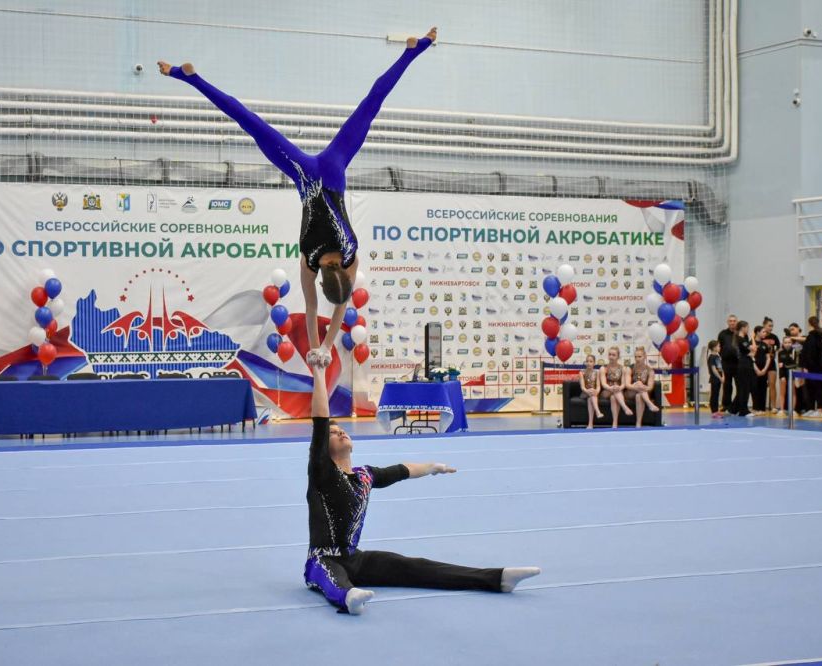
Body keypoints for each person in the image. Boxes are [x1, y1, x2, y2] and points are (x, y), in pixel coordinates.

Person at [159, 28, 438, 364]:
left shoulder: (351, 255)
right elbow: (312, 308)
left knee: (370, 106)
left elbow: (339, 304)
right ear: (322, 278)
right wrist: (319, 348)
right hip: (304, 176)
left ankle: (413, 50)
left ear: (344, 275)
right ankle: (190, 78)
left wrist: (326, 346)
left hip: (333, 170)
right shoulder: (309, 259)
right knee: (249, 123)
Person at [304, 357, 540, 614]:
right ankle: (348, 596)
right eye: (333, 433)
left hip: (354, 558)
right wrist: (319, 373)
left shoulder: (365, 475)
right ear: (323, 449)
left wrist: (431, 467)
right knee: (331, 577)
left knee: (414, 566)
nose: (340, 433)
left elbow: (403, 470)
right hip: (322, 559)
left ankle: (497, 579)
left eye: (342, 431)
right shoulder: (322, 473)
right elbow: (319, 421)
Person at [623, 346, 659, 428]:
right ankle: (649, 404)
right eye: (635, 357)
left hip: (642, 394)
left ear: (645, 357)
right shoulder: (630, 368)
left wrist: (642, 387)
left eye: (639, 357)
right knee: (638, 384)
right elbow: (627, 385)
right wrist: (637, 386)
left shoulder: (650, 370)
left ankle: (638, 423)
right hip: (630, 392)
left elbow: (650, 387)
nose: (637, 359)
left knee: (639, 396)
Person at [800, 316, 822, 417]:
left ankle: (819, 410)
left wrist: (806, 366)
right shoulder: (821, 336)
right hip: (820, 366)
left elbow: (809, 353)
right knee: (815, 388)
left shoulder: (812, 336)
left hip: (813, 367)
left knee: (815, 388)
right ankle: (811, 408)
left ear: (809, 324)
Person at [599, 346, 632, 428]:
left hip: (618, 390)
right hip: (606, 391)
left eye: (613, 355)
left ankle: (615, 423)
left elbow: (623, 384)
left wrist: (619, 388)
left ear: (618, 356)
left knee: (614, 397)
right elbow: (603, 384)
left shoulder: (623, 368)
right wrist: (611, 388)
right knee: (614, 392)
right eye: (610, 354)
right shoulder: (603, 368)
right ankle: (625, 407)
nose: (611, 357)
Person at [730, 321, 755, 418]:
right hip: (744, 366)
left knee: (743, 388)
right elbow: (753, 349)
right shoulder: (740, 339)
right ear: (743, 328)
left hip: (745, 364)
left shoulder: (742, 339)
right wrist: (752, 337)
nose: (748, 329)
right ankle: (743, 411)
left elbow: (750, 353)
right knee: (744, 389)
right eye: (747, 327)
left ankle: (733, 408)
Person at [716, 314, 739, 413]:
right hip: (726, 363)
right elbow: (718, 347)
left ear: (736, 322)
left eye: (734, 321)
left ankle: (737, 405)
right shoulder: (722, 334)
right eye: (730, 321)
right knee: (727, 385)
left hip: (738, 363)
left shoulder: (740, 333)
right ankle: (726, 405)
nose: (732, 322)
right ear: (728, 322)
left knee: (740, 385)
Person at [578, 353, 603, 429]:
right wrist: (588, 391)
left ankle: (590, 424)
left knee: (590, 399)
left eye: (591, 361)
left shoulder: (597, 372)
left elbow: (598, 386)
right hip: (585, 393)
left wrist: (596, 392)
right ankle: (597, 411)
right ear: (585, 362)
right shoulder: (581, 372)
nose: (588, 363)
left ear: (594, 363)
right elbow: (582, 387)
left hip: (594, 393)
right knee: (591, 394)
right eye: (587, 361)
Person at [776, 336, 800, 415]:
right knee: (782, 392)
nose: (787, 344)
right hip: (783, 374)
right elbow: (780, 366)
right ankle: (782, 410)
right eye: (785, 342)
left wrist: (785, 365)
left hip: (792, 373)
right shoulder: (780, 352)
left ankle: (792, 410)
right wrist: (781, 376)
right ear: (783, 343)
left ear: (792, 343)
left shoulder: (795, 352)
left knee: (793, 392)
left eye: (789, 342)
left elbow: (795, 365)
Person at [751, 325, 771, 413]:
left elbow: (768, 357)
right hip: (754, 370)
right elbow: (750, 358)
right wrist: (757, 370)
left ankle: (762, 408)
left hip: (763, 371)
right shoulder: (751, 343)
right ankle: (755, 408)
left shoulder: (764, 345)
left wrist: (765, 369)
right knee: (754, 388)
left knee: (763, 388)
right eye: (763, 332)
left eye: (765, 332)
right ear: (757, 332)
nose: (765, 333)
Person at [762, 317, 780, 411]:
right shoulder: (760, 336)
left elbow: (778, 348)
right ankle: (760, 406)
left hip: (771, 363)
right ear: (764, 325)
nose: (771, 328)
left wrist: (774, 351)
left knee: (772, 384)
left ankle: (773, 406)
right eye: (769, 325)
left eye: (772, 326)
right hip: (761, 363)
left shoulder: (774, 337)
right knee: (761, 385)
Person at [707, 340, 724, 418]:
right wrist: (720, 378)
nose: (720, 348)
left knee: (717, 395)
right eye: (718, 346)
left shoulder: (717, 356)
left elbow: (720, 368)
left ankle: (716, 411)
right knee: (714, 395)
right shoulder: (711, 357)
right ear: (714, 348)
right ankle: (714, 411)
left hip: (719, 378)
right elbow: (714, 369)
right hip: (715, 378)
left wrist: (723, 376)